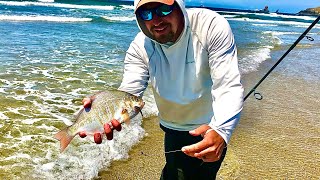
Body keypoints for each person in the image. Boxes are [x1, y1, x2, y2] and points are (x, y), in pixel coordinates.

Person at [83, 0, 244, 179]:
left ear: (179, 6)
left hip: (211, 126)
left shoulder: (210, 26)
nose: (156, 20)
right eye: (146, 14)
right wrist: (104, 109)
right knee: (174, 172)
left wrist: (221, 130)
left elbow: (228, 84)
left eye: (164, 9)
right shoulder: (140, 47)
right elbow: (130, 93)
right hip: (171, 127)